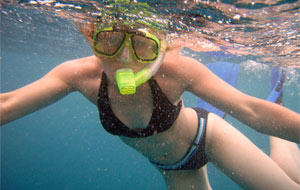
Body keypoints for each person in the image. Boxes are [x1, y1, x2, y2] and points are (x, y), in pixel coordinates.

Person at [1, 17, 300, 190]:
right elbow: (9, 103)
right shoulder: (78, 75)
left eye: (143, 45)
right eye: (110, 41)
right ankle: (282, 144)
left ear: (162, 49)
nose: (124, 59)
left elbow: (252, 110)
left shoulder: (177, 71)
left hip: (209, 139)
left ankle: (280, 134)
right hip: (173, 168)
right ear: (91, 36)